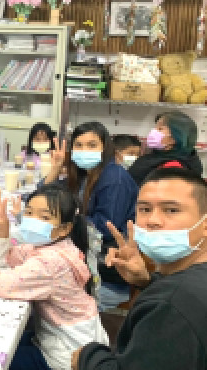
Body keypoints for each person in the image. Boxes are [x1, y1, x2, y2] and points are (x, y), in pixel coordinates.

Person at [74, 168, 207, 370]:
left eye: (171, 210)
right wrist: (146, 281)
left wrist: (86, 357)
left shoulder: (170, 305)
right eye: (145, 209)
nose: (153, 221)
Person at [0, 186, 108, 370]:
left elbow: (1, 286)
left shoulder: (50, 262)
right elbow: (6, 259)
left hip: (67, 356)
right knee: (11, 340)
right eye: (29, 213)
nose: (32, 221)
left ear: (64, 228)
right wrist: (4, 230)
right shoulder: (54, 245)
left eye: (44, 217)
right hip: (74, 340)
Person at [46, 122, 138, 311]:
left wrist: (64, 222)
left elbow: (105, 227)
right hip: (84, 260)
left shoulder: (114, 179)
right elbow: (43, 199)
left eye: (92, 145)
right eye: (78, 145)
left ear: (105, 148)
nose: (84, 150)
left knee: (46, 296)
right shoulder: (83, 175)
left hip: (105, 274)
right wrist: (55, 168)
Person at [128, 112, 203, 186]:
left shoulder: (173, 168)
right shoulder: (158, 156)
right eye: (155, 128)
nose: (153, 132)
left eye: (160, 129)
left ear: (175, 138)